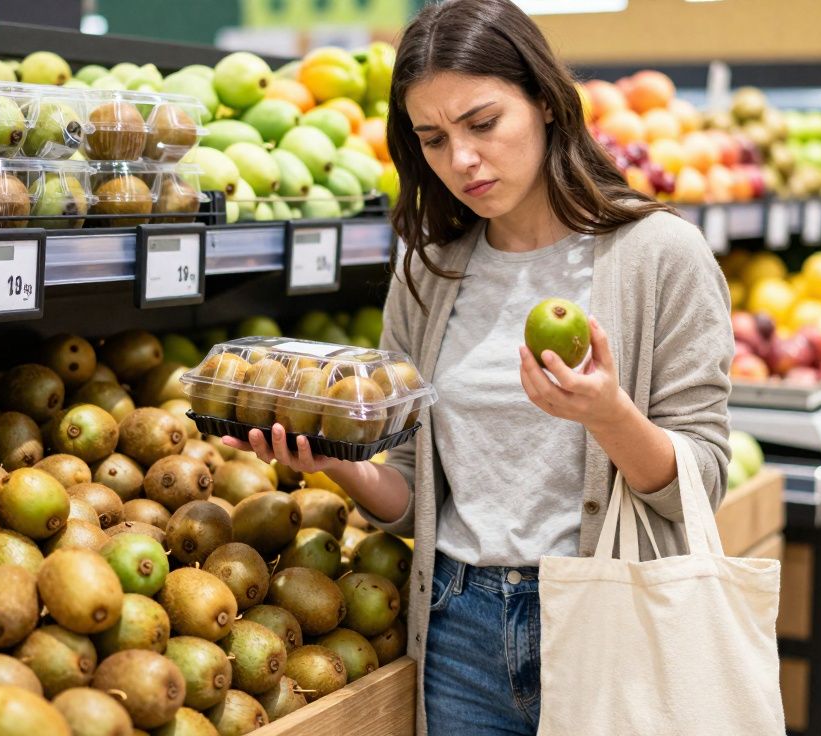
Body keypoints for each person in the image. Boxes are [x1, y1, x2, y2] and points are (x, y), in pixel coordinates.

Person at [223, 0, 734, 733]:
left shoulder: (660, 256)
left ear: (547, 102)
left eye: (483, 124)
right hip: (457, 632)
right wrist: (339, 462)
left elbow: (702, 485)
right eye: (432, 139)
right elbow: (413, 494)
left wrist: (608, 415)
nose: (461, 160)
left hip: (608, 621)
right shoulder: (428, 274)